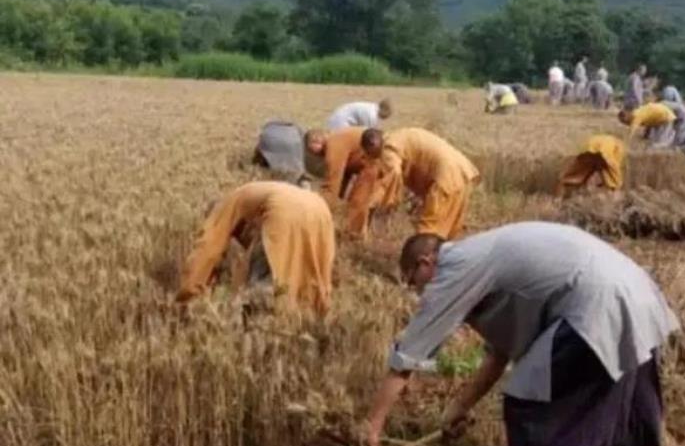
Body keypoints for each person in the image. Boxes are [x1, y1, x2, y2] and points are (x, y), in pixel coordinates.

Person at [365, 222, 680, 446]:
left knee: (528, 419)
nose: (417, 292)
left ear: (426, 264)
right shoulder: (481, 256)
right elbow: (499, 355)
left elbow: (405, 360)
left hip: (595, 306)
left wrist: (372, 431)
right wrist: (459, 407)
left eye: (413, 281)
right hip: (636, 295)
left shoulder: (453, 271)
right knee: (616, 404)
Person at [176, 181, 335, 316]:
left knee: (265, 280)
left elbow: (208, 248)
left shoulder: (227, 207)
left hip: (283, 211)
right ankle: (312, 315)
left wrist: (188, 295)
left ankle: (260, 320)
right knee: (305, 274)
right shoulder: (252, 196)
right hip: (320, 209)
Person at [361, 128, 480, 240]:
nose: (372, 158)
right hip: (461, 173)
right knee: (448, 231)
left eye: (369, 153)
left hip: (444, 179)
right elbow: (419, 160)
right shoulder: (399, 136)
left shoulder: (387, 148)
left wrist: (378, 205)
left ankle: (421, 259)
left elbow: (394, 174)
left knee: (427, 232)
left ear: (373, 144)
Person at [304, 127, 381, 239]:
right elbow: (345, 173)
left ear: (318, 140)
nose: (316, 154)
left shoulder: (333, 146)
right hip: (370, 161)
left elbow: (332, 184)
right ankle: (359, 233)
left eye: (313, 148)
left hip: (374, 162)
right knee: (358, 200)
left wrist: (317, 209)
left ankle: (355, 236)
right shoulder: (337, 141)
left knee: (358, 200)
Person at [557, 135, 625, 196]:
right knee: (614, 187)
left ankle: (556, 202)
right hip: (601, 150)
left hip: (592, 147)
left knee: (569, 180)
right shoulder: (614, 145)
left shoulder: (609, 143)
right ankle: (557, 202)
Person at [327, 99, 392, 130]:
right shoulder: (371, 115)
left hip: (340, 117)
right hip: (340, 122)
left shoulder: (372, 108)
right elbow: (368, 132)